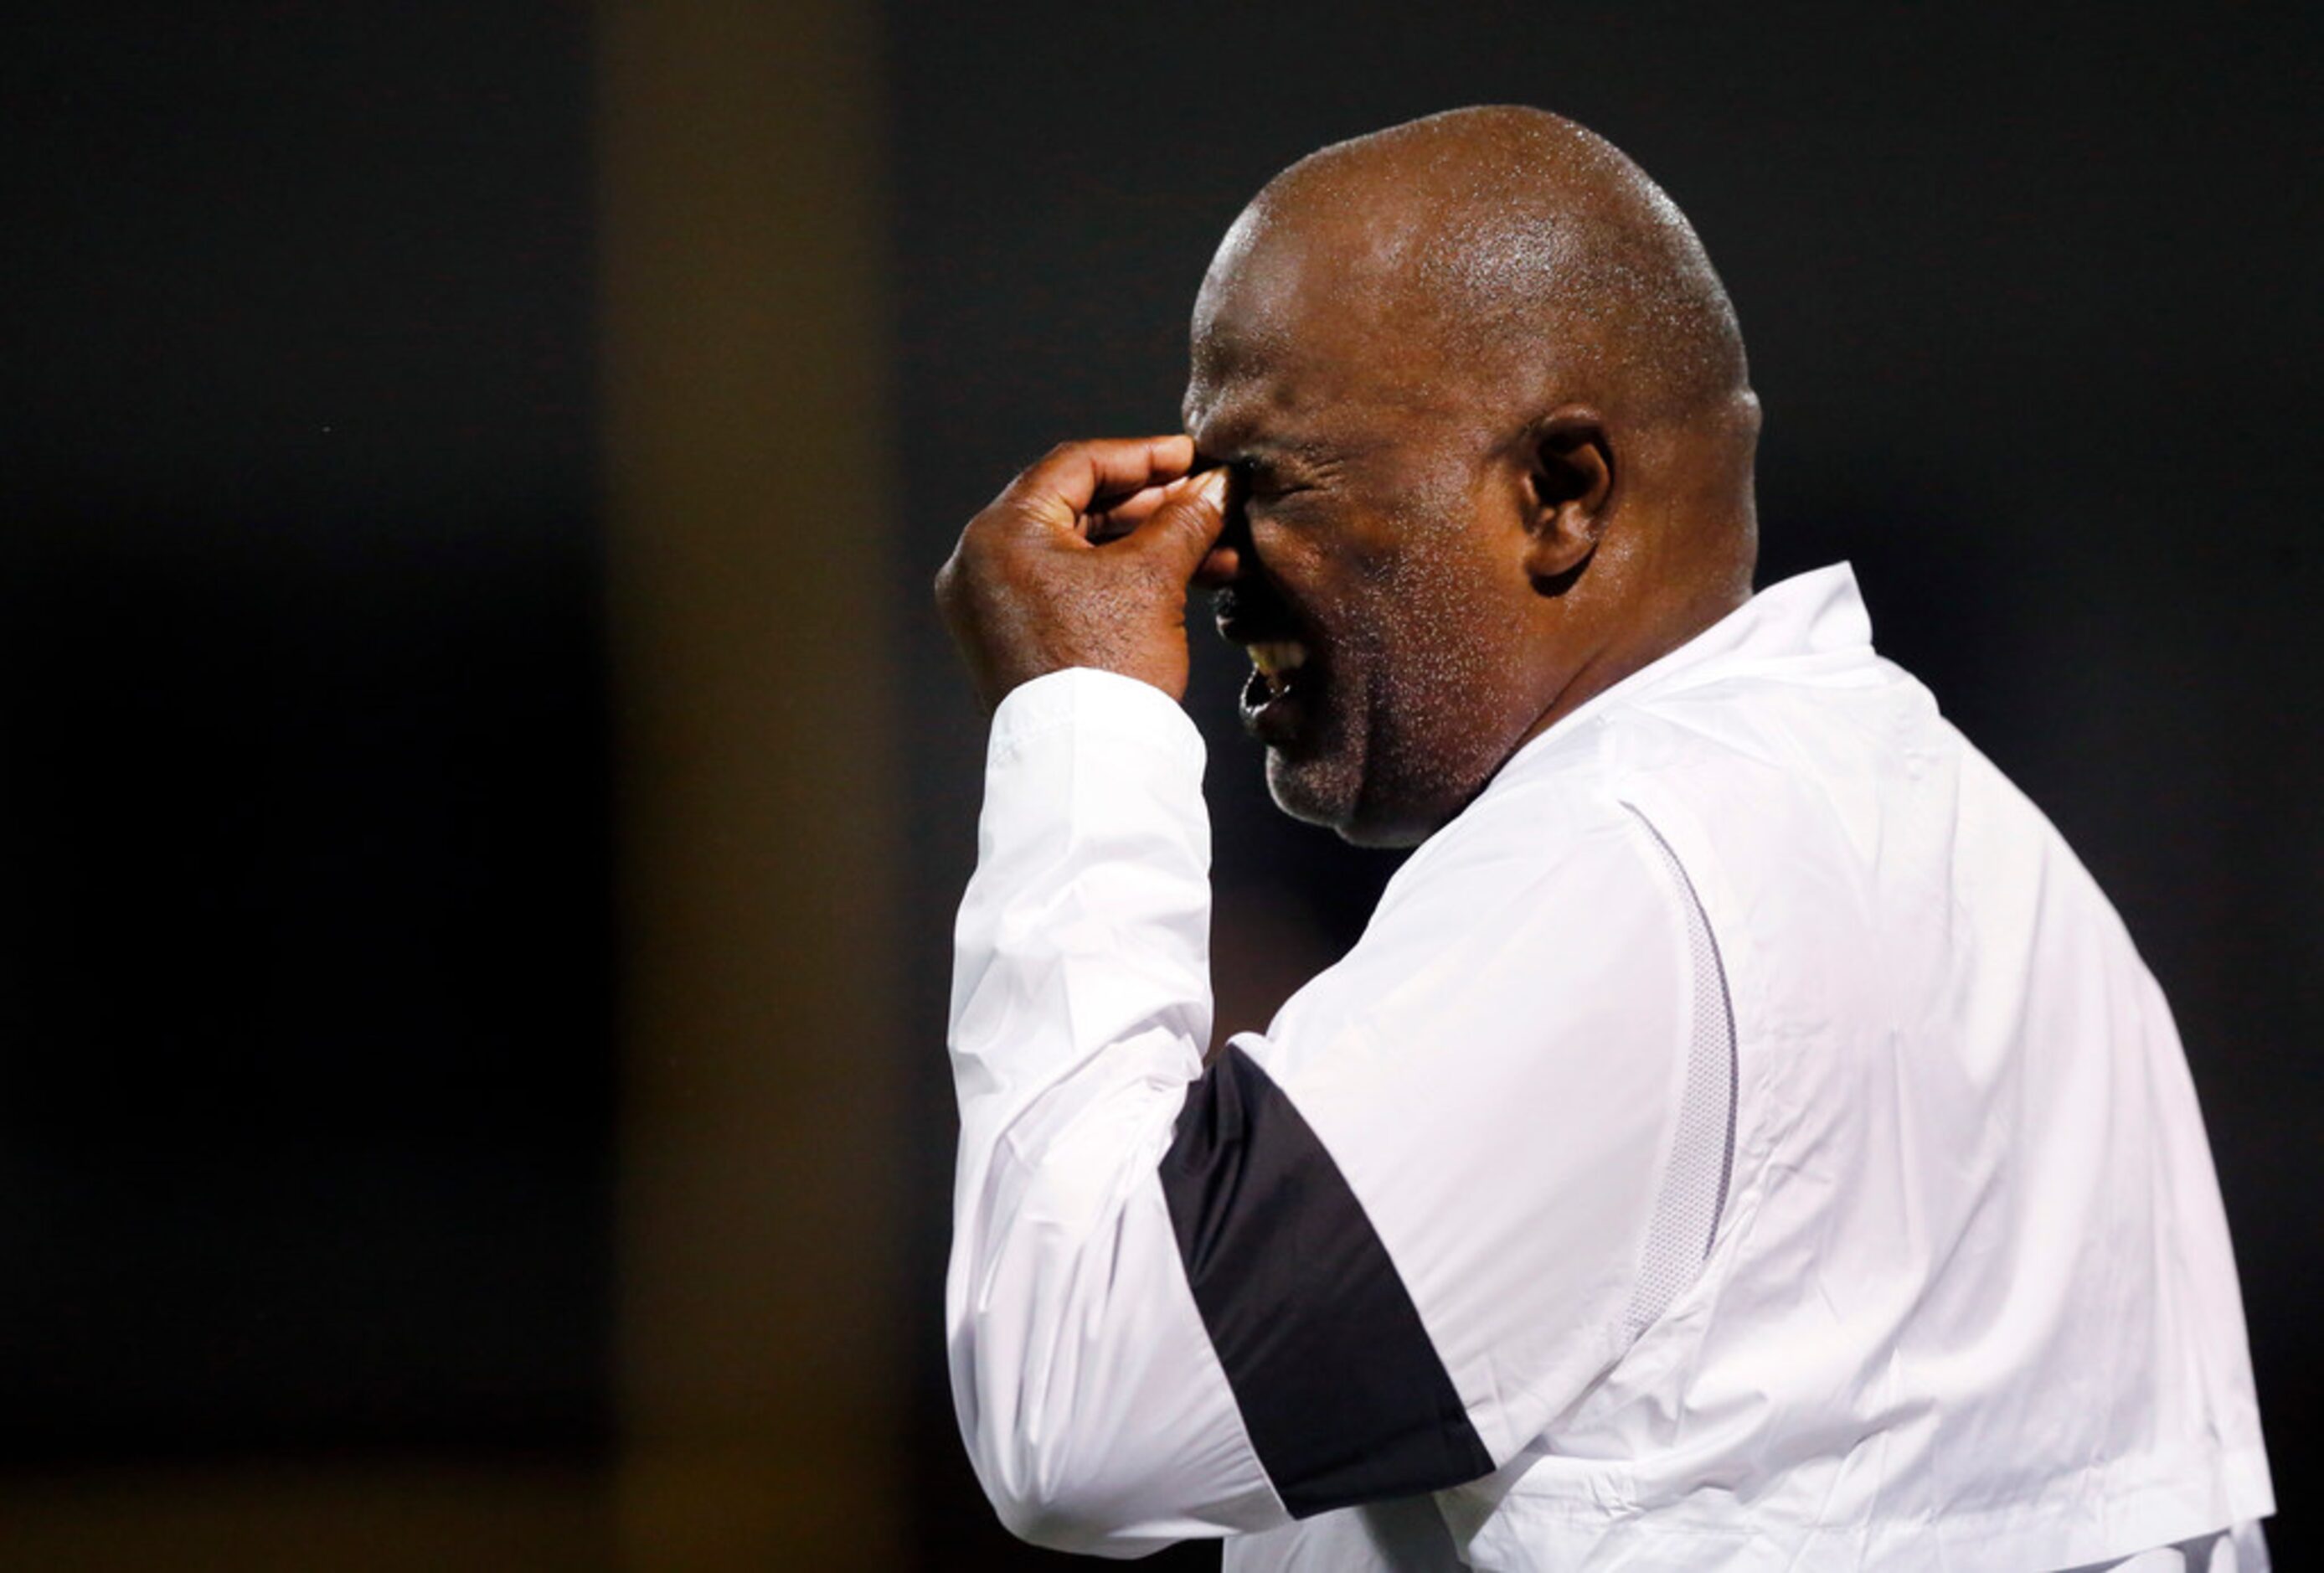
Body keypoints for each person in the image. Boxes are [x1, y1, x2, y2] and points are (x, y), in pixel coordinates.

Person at [931, 106, 2273, 1570]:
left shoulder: (1638, 851)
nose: (1204, 560)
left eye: (1266, 483)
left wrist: (1080, 724)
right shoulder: (1980, 852)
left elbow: (1082, 1408)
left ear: (1559, 495)